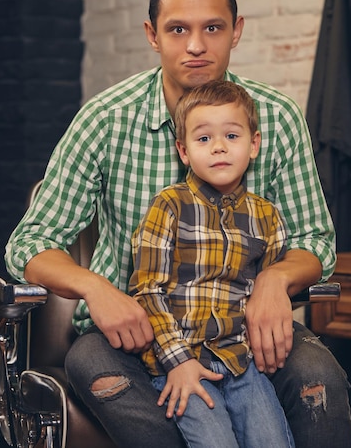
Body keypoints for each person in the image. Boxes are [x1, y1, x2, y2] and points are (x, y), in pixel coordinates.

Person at [5, 0, 351, 448]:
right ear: (152, 34)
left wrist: (275, 279)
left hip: (242, 329)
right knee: (90, 361)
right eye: (177, 30)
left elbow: (313, 239)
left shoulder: (275, 118)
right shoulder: (105, 119)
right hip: (132, 333)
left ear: (237, 31)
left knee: (320, 374)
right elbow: (30, 242)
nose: (195, 46)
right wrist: (97, 290)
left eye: (213, 28)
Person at [129, 80, 295, 448]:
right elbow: (147, 291)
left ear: (254, 145)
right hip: (181, 360)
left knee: (273, 441)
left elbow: (267, 292)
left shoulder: (265, 216)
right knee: (215, 442)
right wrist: (178, 361)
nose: (219, 147)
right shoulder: (168, 206)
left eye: (232, 136)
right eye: (203, 139)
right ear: (183, 151)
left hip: (240, 362)